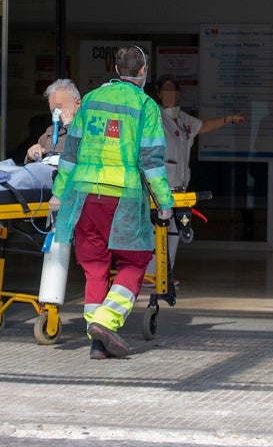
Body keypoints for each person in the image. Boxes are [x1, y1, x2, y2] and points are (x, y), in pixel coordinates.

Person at [48, 45, 175, 360]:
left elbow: (70, 154)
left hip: (84, 196)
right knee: (134, 261)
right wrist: (164, 201)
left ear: (116, 71)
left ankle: (97, 343)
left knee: (95, 266)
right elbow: (152, 161)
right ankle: (106, 321)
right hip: (123, 198)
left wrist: (58, 194)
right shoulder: (145, 106)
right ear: (143, 72)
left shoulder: (90, 100)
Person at [145, 74, 247, 279]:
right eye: (165, 90)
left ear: (178, 93)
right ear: (158, 93)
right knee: (155, 230)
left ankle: (165, 273)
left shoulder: (183, 120)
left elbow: (204, 126)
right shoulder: (153, 116)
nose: (169, 94)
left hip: (179, 186)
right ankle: (149, 274)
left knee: (174, 231)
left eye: (172, 90)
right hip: (158, 185)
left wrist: (229, 119)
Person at [25, 79, 82, 162]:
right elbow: (30, 162)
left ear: (77, 103)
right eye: (53, 110)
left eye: (60, 108)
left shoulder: (86, 127)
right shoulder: (50, 131)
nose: (56, 115)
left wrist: (70, 125)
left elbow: (85, 150)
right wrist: (31, 155)